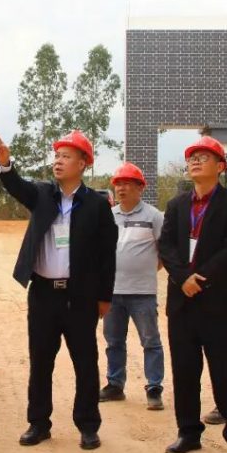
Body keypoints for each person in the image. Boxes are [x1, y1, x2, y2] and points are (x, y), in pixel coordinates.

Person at [0, 129, 117, 450]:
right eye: (57, 156)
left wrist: (104, 296)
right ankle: (38, 423)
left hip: (80, 297)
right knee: (41, 362)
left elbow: (107, 256)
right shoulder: (42, 195)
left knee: (85, 362)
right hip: (44, 294)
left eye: (66, 156)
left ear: (83, 163)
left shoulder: (97, 205)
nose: (58, 161)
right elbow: (16, 186)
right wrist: (5, 164)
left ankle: (88, 425)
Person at [159, 135, 227, 453]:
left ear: (220, 166)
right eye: (192, 157)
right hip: (182, 302)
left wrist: (201, 278)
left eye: (204, 157)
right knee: (185, 372)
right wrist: (182, 278)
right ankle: (188, 432)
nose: (195, 161)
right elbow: (166, 246)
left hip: (219, 303)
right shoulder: (177, 205)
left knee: (225, 373)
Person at [99, 162, 166, 411]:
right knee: (114, 341)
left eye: (127, 183)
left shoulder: (154, 217)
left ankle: (154, 387)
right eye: (118, 184)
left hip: (142, 293)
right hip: (112, 292)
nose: (121, 188)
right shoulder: (108, 216)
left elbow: (164, 252)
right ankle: (115, 384)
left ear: (140, 188)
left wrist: (144, 272)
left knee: (150, 341)